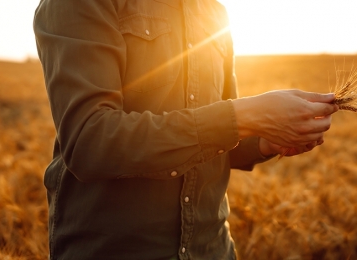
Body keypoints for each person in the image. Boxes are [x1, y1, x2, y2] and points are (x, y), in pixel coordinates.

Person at [33, 0, 338, 259]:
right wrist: (246, 116)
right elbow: (89, 140)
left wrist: (265, 140)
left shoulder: (214, 13)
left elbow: (220, 134)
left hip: (213, 248)